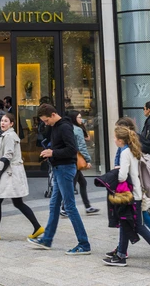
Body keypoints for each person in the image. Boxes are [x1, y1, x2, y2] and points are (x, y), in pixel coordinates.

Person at [101, 126, 150, 272]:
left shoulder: (125, 153)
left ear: (120, 140)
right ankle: (120, 255)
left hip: (131, 195)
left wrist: (116, 171)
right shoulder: (134, 150)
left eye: (115, 138)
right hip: (137, 193)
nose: (114, 140)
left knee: (138, 226)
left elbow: (122, 176)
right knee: (125, 222)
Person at [28, 104, 90, 254]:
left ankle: (84, 244)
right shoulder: (56, 126)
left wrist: (52, 152)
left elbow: (71, 150)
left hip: (64, 169)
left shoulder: (64, 127)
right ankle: (47, 240)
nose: (45, 123)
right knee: (54, 205)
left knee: (69, 207)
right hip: (59, 169)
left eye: (46, 120)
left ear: (53, 114)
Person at [0, 113, 43, 241]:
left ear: (11, 124)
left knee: (6, 201)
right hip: (11, 172)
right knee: (10, 202)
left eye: (6, 121)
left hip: (10, 173)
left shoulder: (9, 136)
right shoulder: (7, 135)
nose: (2, 123)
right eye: (2, 121)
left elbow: (8, 155)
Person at [67, 111, 98, 215]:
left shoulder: (68, 128)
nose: (81, 119)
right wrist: (87, 160)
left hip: (71, 158)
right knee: (72, 184)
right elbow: (82, 146)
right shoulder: (78, 130)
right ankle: (64, 207)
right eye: (79, 117)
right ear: (74, 118)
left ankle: (88, 206)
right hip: (76, 159)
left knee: (82, 182)